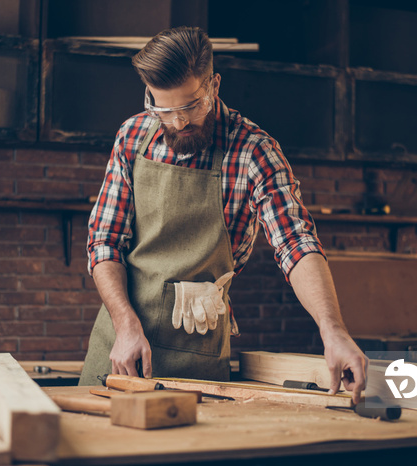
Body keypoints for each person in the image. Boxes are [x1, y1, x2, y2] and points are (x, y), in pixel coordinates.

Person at [79, 26, 368, 403]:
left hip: (197, 362)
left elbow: (296, 244)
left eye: (190, 106)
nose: (178, 122)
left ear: (214, 84)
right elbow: (104, 242)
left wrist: (333, 331)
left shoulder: (254, 152)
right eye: (163, 110)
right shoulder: (132, 137)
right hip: (120, 349)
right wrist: (124, 323)